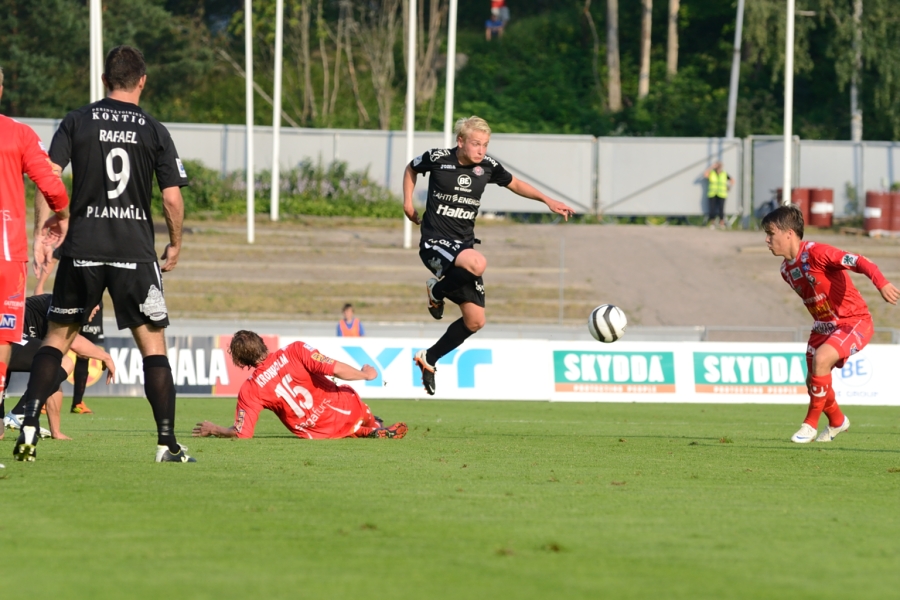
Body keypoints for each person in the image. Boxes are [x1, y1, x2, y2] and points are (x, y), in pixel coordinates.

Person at [13, 45, 192, 463]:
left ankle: (29, 428)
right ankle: (166, 444)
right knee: (153, 348)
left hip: (83, 250)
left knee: (56, 340)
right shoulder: (154, 129)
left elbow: (49, 175)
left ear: (104, 80)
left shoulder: (77, 120)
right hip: (134, 252)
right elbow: (171, 199)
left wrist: (45, 228)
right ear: (142, 81)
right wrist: (176, 242)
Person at [403, 116, 575, 395]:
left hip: (463, 247)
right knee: (477, 262)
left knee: (475, 321)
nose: (481, 150)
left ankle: (429, 358)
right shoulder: (437, 158)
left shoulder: (488, 166)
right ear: (460, 142)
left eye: (485, 145)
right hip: (435, 241)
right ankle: (436, 292)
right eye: (475, 144)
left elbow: (515, 183)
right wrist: (408, 203)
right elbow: (411, 168)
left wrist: (548, 201)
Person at [762, 205, 900, 443]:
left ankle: (809, 424)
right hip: (823, 325)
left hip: (853, 321)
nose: (767, 239)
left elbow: (859, 261)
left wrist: (882, 283)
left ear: (789, 233)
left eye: (771, 233)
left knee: (822, 359)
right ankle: (837, 421)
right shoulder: (786, 270)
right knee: (812, 379)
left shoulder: (817, 253)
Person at [0, 64, 71, 439]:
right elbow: (51, 183)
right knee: (1, 338)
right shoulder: (19, 134)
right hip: (6, 252)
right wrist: (62, 214)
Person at [192, 330, 406, 440]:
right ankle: (374, 426)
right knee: (357, 408)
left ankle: (363, 431)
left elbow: (242, 434)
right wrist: (365, 374)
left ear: (241, 361)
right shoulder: (296, 350)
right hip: (346, 408)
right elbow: (335, 369)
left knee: (334, 428)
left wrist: (215, 429)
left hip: (318, 434)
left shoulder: (250, 389)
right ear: (261, 342)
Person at [2, 295, 115, 440]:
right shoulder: (62, 306)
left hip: (10, 343)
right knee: (63, 362)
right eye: (95, 303)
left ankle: (23, 414)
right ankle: (20, 411)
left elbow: (50, 381)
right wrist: (106, 356)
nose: (98, 307)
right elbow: (74, 343)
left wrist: (55, 431)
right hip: (7, 338)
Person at [703, 161, 734, 228]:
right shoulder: (712, 173)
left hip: (722, 193)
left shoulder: (724, 173)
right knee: (712, 209)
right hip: (712, 193)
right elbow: (705, 175)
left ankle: (721, 223)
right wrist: (711, 167)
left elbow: (732, 180)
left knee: (721, 209)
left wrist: (729, 187)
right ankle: (712, 223)